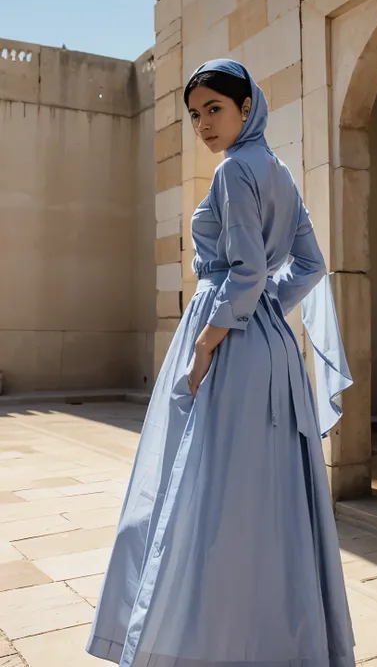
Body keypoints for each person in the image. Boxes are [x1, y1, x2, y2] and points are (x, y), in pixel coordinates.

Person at [86, 59, 355, 667]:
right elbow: (309, 266)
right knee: (263, 491)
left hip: (228, 344)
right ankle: (272, 640)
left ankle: (206, 641)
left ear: (246, 107)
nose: (204, 124)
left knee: (206, 490)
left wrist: (210, 339)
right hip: (272, 349)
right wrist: (263, 313)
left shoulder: (236, 170)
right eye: (195, 114)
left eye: (215, 108)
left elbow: (248, 270)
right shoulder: (278, 170)